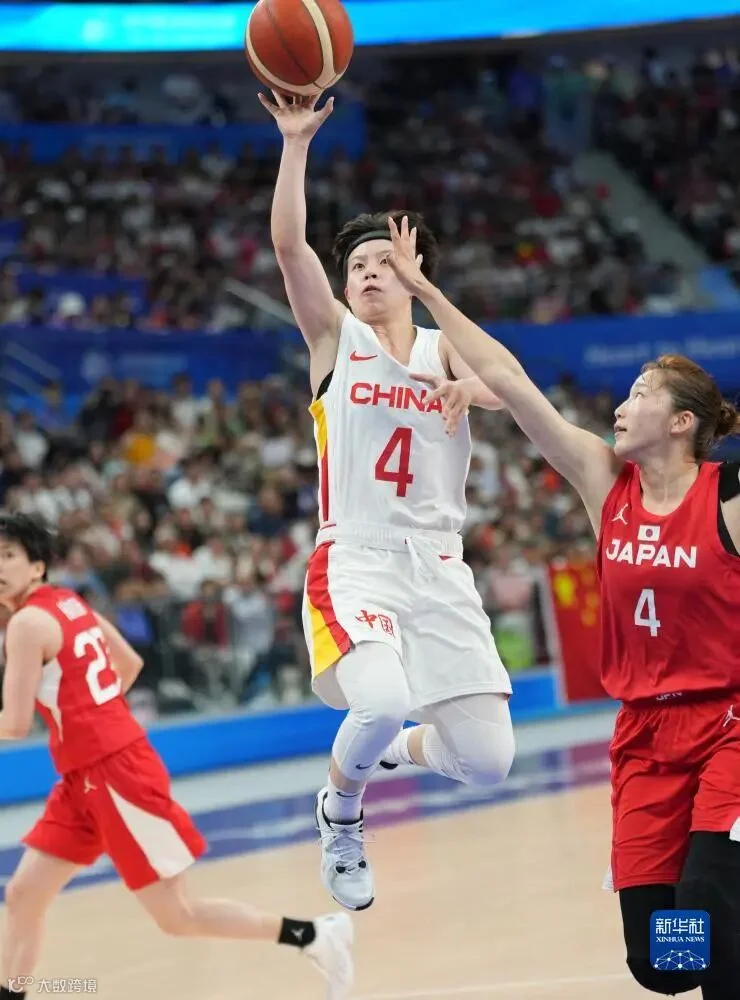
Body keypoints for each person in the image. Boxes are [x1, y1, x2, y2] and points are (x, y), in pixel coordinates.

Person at [383, 216, 740, 999]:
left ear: (682, 423)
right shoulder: (603, 481)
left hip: (729, 725)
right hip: (644, 734)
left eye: (641, 394)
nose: (623, 404)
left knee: (711, 901)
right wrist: (426, 291)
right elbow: (510, 381)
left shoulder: (729, 498)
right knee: (663, 961)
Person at [259, 91, 515, 913]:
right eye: (358, 266)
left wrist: (473, 389)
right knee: (380, 699)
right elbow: (288, 245)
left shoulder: (446, 348)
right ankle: (341, 815)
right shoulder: (337, 340)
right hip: (358, 556)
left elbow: (514, 389)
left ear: (415, 274)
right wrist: (296, 143)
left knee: (488, 762)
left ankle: (396, 751)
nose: (368, 273)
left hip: (440, 566)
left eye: (384, 262)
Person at [0, 514, 353, 1000]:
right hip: (86, 774)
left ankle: (313, 934)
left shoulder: (25, 624)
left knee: (177, 915)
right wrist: (93, 715)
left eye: (8, 556)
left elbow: (15, 724)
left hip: (113, 773)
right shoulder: (68, 602)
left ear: (37, 565)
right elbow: (129, 664)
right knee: (24, 896)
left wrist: (93, 725)